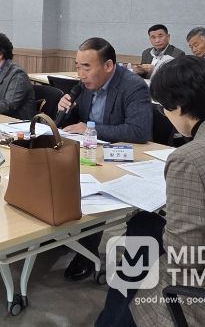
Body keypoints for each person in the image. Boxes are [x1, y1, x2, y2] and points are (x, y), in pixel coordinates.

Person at [96, 56, 205, 327]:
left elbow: (187, 257)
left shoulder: (188, 159)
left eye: (162, 108)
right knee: (145, 225)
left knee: (138, 254)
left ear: (178, 106)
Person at [57, 37, 152, 282]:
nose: (80, 74)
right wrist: (66, 109)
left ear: (108, 65)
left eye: (86, 67)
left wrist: (91, 129)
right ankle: (57, 237)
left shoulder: (133, 86)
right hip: (90, 152)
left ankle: (86, 252)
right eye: (77, 66)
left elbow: (139, 131)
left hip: (122, 160)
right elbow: (77, 121)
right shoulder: (85, 86)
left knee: (89, 191)